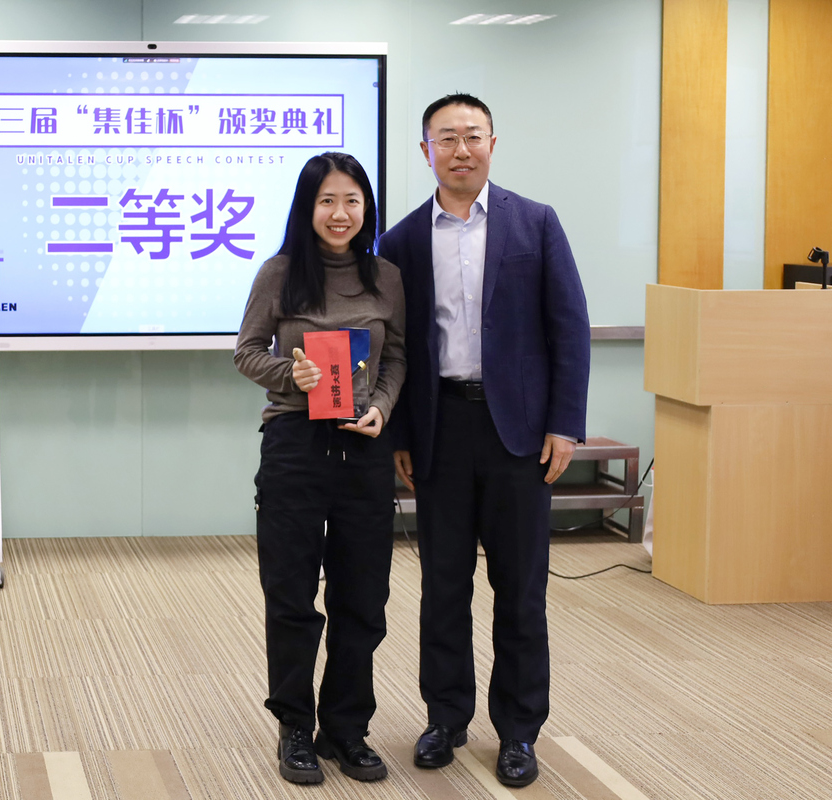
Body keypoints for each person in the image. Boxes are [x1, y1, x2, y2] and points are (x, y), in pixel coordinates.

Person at [378, 94, 590, 788]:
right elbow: (397, 348)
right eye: (446, 138)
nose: (461, 149)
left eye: (472, 136)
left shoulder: (536, 222)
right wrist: (402, 433)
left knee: (520, 588)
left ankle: (519, 730)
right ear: (426, 151)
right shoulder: (402, 241)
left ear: (493, 144)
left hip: (519, 436)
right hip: (440, 430)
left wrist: (564, 423)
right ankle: (445, 718)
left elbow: (569, 327)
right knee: (443, 585)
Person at [234, 152, 406, 785]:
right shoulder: (279, 273)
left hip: (363, 451)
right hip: (294, 448)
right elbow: (247, 352)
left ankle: (346, 728)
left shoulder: (386, 277)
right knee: (292, 595)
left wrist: (382, 407)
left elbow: (397, 360)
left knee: (363, 598)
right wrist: (293, 374)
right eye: (327, 201)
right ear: (308, 208)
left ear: (366, 209)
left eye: (352, 201)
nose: (340, 213)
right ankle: (295, 728)